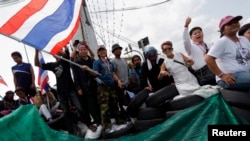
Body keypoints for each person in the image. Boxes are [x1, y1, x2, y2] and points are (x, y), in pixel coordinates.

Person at [34, 48, 97, 135]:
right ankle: (71, 132)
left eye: (56, 52)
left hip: (71, 90)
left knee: (80, 108)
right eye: (54, 53)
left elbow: (64, 54)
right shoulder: (52, 65)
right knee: (66, 112)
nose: (55, 53)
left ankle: (89, 124)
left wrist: (53, 48)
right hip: (61, 92)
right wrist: (36, 51)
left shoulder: (65, 60)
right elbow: (37, 64)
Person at [205, 15, 250, 91]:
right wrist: (222, 75)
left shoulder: (243, 39)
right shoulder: (222, 41)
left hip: (246, 73)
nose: (234, 24)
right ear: (223, 30)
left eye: (236, 22)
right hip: (231, 77)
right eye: (230, 24)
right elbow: (208, 59)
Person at [93, 45, 127, 133]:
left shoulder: (110, 63)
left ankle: (119, 121)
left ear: (106, 51)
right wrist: (98, 79)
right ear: (98, 53)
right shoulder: (97, 62)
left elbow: (113, 73)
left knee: (115, 104)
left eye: (103, 50)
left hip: (112, 86)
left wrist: (118, 81)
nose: (102, 52)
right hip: (103, 87)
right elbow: (95, 73)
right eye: (100, 51)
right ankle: (106, 126)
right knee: (105, 107)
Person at [71, 43, 101, 126]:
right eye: (81, 50)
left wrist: (88, 46)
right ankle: (97, 121)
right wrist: (78, 88)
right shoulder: (76, 62)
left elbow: (96, 69)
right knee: (91, 106)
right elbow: (75, 77)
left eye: (85, 49)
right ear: (79, 51)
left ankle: (101, 119)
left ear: (87, 50)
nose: (83, 51)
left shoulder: (92, 60)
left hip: (96, 85)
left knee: (98, 103)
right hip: (85, 87)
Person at [183, 17, 216, 86]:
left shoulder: (210, 45)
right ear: (191, 38)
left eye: (199, 32)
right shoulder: (190, 48)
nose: (198, 34)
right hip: (202, 74)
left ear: (203, 34)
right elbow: (185, 40)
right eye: (195, 33)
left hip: (215, 69)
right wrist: (186, 26)